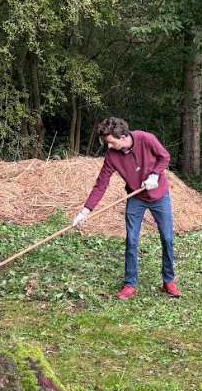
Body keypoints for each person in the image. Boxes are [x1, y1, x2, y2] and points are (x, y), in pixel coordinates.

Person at [73, 117, 180, 299]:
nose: (108, 146)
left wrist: (155, 175)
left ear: (123, 137)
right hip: (136, 197)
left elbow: (165, 157)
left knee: (167, 238)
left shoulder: (146, 139)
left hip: (159, 195)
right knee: (131, 239)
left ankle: (168, 280)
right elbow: (101, 185)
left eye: (111, 142)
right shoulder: (112, 156)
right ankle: (130, 283)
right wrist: (84, 212)